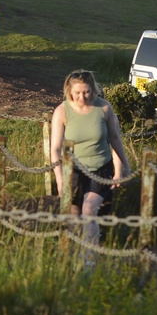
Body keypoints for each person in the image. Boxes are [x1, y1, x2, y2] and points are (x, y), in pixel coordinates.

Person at [50, 70, 127, 257]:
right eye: (77, 93)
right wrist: (60, 180)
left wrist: (121, 168)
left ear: (93, 89)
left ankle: (90, 259)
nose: (82, 97)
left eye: (86, 92)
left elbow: (115, 140)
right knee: (73, 214)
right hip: (73, 169)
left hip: (100, 167)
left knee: (89, 210)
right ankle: (72, 255)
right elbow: (55, 149)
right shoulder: (62, 111)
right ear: (69, 91)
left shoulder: (104, 108)